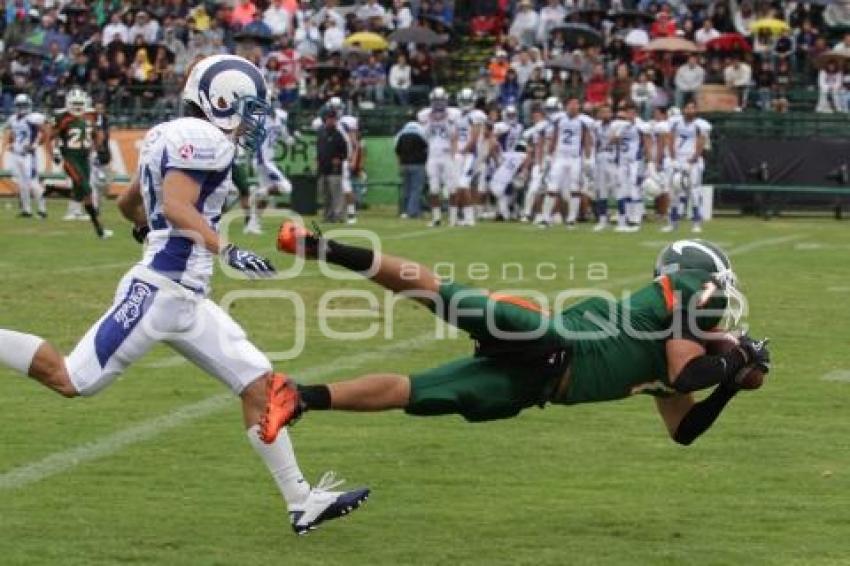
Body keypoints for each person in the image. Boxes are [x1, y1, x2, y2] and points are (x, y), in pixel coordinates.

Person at [0, 55, 369, 535]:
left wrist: (147, 227)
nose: (253, 120)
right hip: (161, 289)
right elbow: (174, 204)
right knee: (73, 379)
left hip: (188, 296)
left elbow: (128, 202)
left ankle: (302, 501)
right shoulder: (205, 139)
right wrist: (225, 247)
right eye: (249, 107)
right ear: (221, 100)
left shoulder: (168, 134)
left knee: (260, 385)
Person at [262, 229, 771, 455]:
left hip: (537, 383)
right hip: (551, 336)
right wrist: (735, 360)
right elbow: (687, 371)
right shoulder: (688, 290)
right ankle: (320, 246)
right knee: (441, 293)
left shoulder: (688, 350)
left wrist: (727, 384)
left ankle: (300, 396)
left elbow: (684, 430)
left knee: (424, 391)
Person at [46, 88, 113, 239]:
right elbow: (50, 137)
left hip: (85, 159)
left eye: (80, 103)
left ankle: (51, 188)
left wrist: (98, 148)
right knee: (87, 191)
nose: (77, 107)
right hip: (71, 159)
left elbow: (96, 133)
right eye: (74, 103)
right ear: (68, 103)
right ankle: (100, 230)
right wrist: (54, 153)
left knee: (79, 194)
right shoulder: (62, 117)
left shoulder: (91, 115)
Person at [541, 97, 593, 229]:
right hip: (560, 157)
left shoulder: (583, 121)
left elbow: (586, 140)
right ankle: (546, 218)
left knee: (575, 188)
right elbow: (555, 136)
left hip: (575, 158)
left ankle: (571, 219)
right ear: (566, 105)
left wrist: (587, 158)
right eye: (571, 104)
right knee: (552, 187)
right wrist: (548, 154)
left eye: (576, 104)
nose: (573, 106)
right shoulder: (559, 119)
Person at [245, 102, 296, 235]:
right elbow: (246, 125)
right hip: (263, 160)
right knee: (286, 187)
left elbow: (284, 134)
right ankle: (256, 193)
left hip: (268, 159)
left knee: (265, 198)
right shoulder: (259, 117)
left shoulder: (280, 117)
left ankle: (253, 225)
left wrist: (290, 139)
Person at [665, 100, 712, 233]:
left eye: (693, 108)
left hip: (692, 160)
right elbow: (670, 138)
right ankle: (673, 222)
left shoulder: (700, 124)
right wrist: (673, 158)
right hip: (677, 159)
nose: (690, 111)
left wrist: (693, 159)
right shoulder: (675, 122)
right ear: (683, 109)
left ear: (696, 110)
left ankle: (696, 222)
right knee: (673, 190)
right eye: (688, 108)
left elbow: (701, 142)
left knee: (694, 191)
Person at [418, 87, 459, 227]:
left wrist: (446, 121)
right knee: (433, 188)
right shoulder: (425, 115)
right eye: (436, 101)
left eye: (441, 100)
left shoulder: (453, 114)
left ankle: (453, 218)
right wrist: (430, 122)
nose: (439, 104)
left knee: (452, 188)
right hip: (433, 155)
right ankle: (436, 218)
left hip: (447, 154)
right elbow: (424, 136)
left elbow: (454, 135)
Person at [3, 93, 47, 219]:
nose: (22, 108)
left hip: (28, 155)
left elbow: (45, 130)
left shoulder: (33, 118)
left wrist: (35, 144)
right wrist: (12, 144)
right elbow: (10, 131)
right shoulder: (12, 119)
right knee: (22, 184)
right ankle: (26, 210)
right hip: (16, 155)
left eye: (24, 105)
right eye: (20, 105)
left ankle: (42, 209)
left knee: (33, 183)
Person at [316, 106, 350, 222]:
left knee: (336, 194)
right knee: (326, 195)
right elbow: (319, 150)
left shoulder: (339, 135)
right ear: (325, 119)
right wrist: (317, 160)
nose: (331, 120)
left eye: (333, 119)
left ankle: (339, 215)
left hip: (335, 169)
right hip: (323, 168)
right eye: (329, 118)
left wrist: (339, 159)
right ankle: (327, 216)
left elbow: (345, 152)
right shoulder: (321, 134)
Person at [394, 116, 428, 219]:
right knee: (416, 189)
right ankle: (412, 212)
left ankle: (404, 211)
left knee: (407, 189)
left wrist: (399, 165)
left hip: (404, 164)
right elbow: (427, 148)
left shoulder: (401, 133)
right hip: (418, 164)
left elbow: (397, 151)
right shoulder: (422, 131)